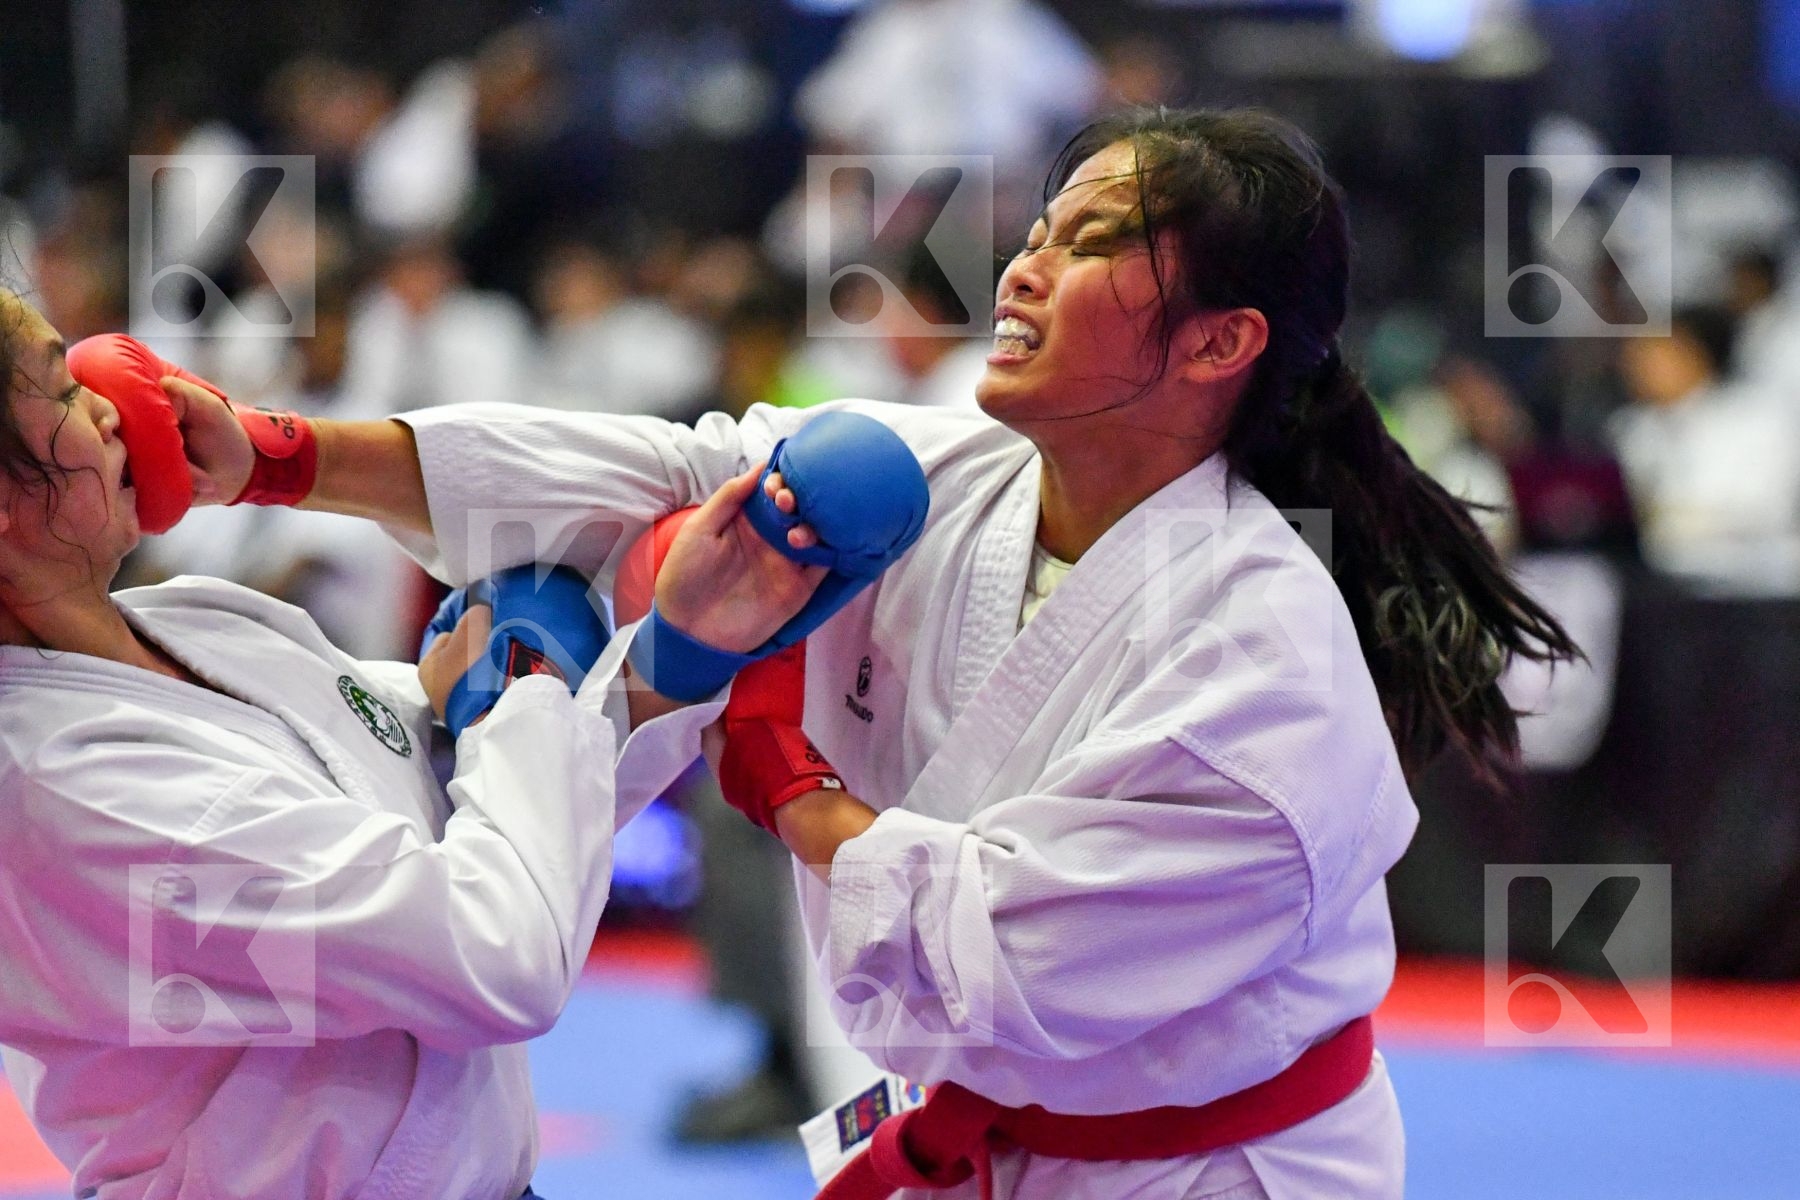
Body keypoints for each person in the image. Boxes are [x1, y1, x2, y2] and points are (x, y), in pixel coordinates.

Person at [161, 108, 1577, 1199]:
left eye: (1089, 244)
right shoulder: (953, 472)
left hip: (1204, 1171)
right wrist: (279, 459)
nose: (1021, 265)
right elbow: (672, 478)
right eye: (1042, 226)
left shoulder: (1262, 670)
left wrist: (781, 773)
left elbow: (1006, 952)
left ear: (1221, 342)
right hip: (972, 1140)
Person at [0, 292, 826, 1200]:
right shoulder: (69, 789)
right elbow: (498, 949)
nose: (114, 402)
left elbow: (483, 812)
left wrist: (678, 650)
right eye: (62, 388)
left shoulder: (199, 619)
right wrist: (524, 684)